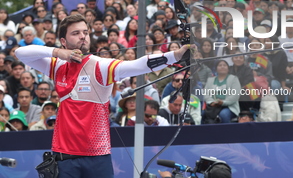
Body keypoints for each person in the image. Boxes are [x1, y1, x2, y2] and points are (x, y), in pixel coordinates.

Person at [15, 14, 190, 177]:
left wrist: (176, 55)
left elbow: (138, 65)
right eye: (75, 33)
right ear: (63, 41)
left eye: (85, 32)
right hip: (63, 154)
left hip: (97, 156)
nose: (83, 36)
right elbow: (20, 53)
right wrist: (57, 52)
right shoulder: (57, 65)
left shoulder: (101, 66)